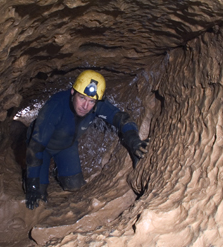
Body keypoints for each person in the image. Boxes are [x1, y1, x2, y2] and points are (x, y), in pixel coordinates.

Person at [25, 70, 149, 210]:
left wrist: (133, 139)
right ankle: (35, 178)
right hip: (43, 146)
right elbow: (35, 149)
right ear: (73, 92)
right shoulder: (55, 107)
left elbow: (122, 119)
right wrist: (33, 185)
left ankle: (57, 170)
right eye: (82, 98)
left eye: (91, 101)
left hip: (66, 146)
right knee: (39, 195)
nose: (85, 106)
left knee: (74, 185)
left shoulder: (96, 105)